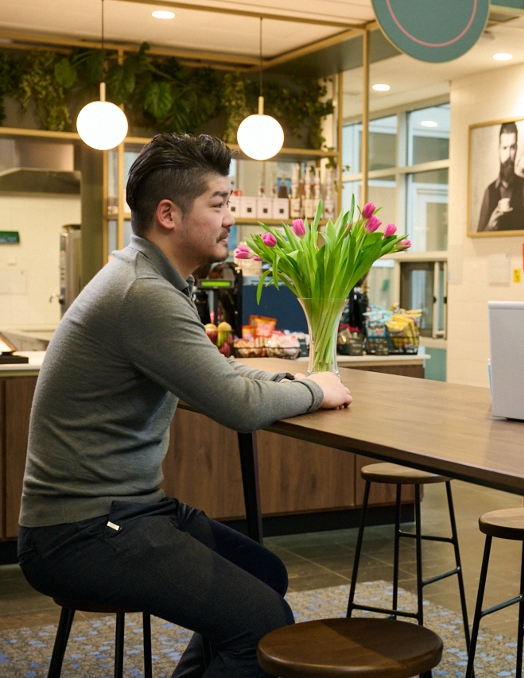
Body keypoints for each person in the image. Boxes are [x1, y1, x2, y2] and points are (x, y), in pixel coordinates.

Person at [17, 133, 352, 678]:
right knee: (263, 621)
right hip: (80, 532)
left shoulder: (147, 277)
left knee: (263, 575)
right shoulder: (142, 293)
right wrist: (317, 389)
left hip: (125, 512)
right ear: (169, 214)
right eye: (218, 204)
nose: (231, 217)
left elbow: (220, 374)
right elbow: (236, 404)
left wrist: (295, 378)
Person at [477, 121, 524, 232]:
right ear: (498, 150)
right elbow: (478, 237)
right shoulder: (490, 191)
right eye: (504, 148)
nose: (509, 155)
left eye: (512, 148)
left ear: (517, 149)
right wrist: (489, 227)